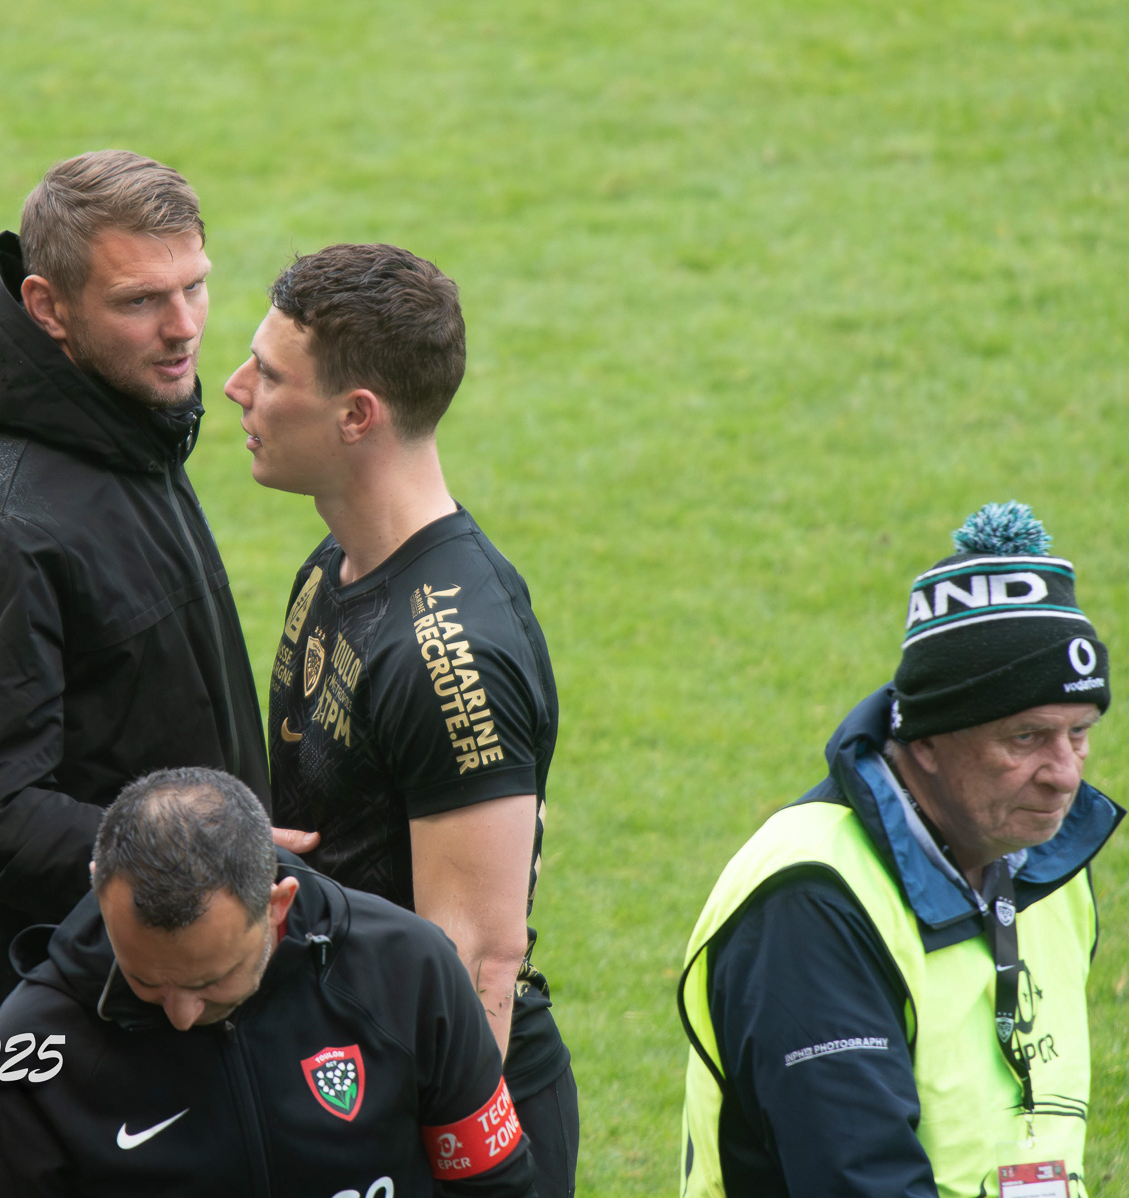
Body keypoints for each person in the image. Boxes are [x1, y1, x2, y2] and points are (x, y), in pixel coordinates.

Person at [0, 151, 279, 1198]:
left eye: (196, 286)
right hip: (25, 1080)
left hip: (136, 1017)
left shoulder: (124, 434)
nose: (184, 328)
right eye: (140, 301)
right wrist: (213, 857)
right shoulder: (0, 529)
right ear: (47, 306)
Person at [222, 244, 576, 1195]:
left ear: (357, 416)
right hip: (342, 1064)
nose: (233, 388)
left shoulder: (451, 653)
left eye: (270, 374)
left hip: (434, 1107)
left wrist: (425, 1167)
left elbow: (477, 960)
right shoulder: (330, 568)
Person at [676, 502, 1122, 1198]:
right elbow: (858, 1178)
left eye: (1080, 733)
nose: (1066, 774)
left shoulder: (1048, 866)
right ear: (928, 742)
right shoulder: (809, 903)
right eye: (1026, 737)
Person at [0, 767, 534, 1197]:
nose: (180, 1014)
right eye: (146, 981)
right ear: (96, 890)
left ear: (279, 905)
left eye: (211, 980)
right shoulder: (29, 1051)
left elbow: (494, 1185)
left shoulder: (407, 969)